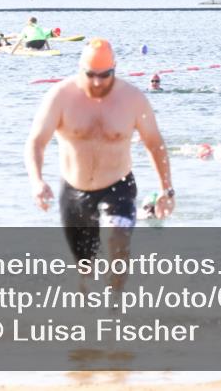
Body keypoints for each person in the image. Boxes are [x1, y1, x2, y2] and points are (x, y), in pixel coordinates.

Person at [25, 38, 174, 275]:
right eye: (91, 74)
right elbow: (36, 142)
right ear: (80, 68)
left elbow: (155, 144)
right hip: (74, 192)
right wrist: (37, 181)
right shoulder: (60, 97)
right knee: (84, 272)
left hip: (119, 188)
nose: (97, 82)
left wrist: (166, 190)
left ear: (114, 68)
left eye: (105, 75)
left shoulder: (132, 99)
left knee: (117, 246)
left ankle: (117, 296)